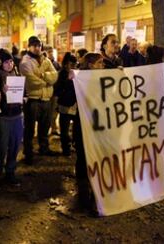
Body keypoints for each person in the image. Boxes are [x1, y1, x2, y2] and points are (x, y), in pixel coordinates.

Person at [19, 36, 58, 165]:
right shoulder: (25, 62)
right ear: (29, 47)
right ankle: (28, 152)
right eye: (34, 45)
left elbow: (54, 76)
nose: (37, 48)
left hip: (46, 98)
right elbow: (30, 81)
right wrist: (47, 82)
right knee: (29, 128)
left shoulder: (46, 60)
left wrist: (42, 75)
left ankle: (44, 148)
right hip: (32, 99)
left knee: (44, 126)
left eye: (39, 45)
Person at [74, 52, 104, 215]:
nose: (102, 66)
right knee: (83, 160)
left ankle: (96, 197)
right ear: (91, 65)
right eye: (100, 63)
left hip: (99, 127)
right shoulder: (80, 80)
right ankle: (84, 196)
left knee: (97, 159)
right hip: (84, 127)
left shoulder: (105, 79)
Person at [0, 49, 23, 189]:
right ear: (0, 63)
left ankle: (10, 171)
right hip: (4, 117)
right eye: (6, 62)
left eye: (11, 61)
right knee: (1, 147)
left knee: (15, 146)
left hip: (17, 116)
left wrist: (23, 97)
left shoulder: (17, 76)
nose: (9, 64)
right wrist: (2, 95)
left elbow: (23, 92)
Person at [54, 52, 78, 156]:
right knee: (64, 129)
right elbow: (58, 90)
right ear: (66, 64)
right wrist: (68, 80)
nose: (73, 66)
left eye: (74, 64)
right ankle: (66, 149)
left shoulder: (77, 73)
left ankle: (74, 145)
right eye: (71, 64)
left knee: (76, 129)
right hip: (64, 105)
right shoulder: (61, 74)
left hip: (75, 105)